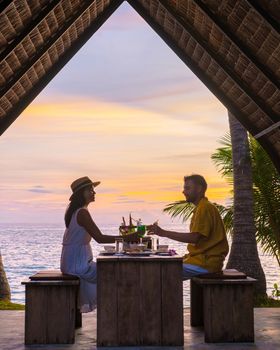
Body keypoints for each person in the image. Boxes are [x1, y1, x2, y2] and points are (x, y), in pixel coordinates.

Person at [60, 176, 138, 313]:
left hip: (72, 261)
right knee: (116, 273)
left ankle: (114, 309)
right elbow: (100, 238)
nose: (94, 193)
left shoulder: (76, 211)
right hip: (77, 265)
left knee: (113, 272)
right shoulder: (82, 213)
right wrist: (127, 238)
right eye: (90, 190)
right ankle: (115, 311)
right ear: (81, 193)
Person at [147, 174, 229, 279]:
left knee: (160, 272)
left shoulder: (204, 208)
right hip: (200, 261)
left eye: (187, 188)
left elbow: (194, 238)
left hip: (206, 264)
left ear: (199, 189)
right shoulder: (202, 207)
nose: (183, 192)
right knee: (160, 268)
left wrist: (163, 233)